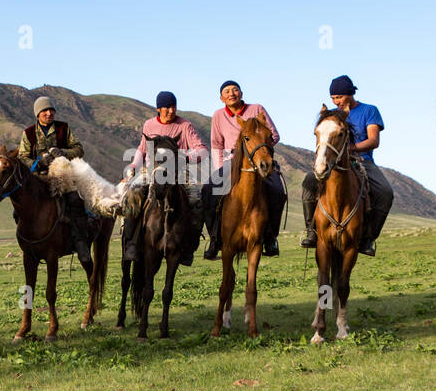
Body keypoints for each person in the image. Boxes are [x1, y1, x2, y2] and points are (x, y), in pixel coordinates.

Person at [300, 76, 394, 256]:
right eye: (334, 97)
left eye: (340, 97)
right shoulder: (332, 116)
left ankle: (368, 238)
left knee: (385, 192)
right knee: (308, 182)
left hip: (362, 160)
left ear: (351, 93)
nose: (337, 101)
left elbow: (373, 140)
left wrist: (349, 148)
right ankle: (311, 231)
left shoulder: (369, 110)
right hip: (334, 162)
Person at [121, 91, 209, 266]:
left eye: (173, 106)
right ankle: (131, 243)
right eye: (167, 107)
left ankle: (189, 248)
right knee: (132, 195)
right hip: (151, 171)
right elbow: (142, 149)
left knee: (196, 199)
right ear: (158, 109)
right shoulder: (149, 125)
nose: (171, 110)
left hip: (179, 172)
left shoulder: (185, 125)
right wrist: (133, 167)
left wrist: (184, 157)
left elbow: (202, 150)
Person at [201, 81, 287, 259]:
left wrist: (259, 150)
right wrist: (221, 170)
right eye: (227, 91)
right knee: (209, 190)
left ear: (241, 93)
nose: (231, 93)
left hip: (259, 160)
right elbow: (216, 145)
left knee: (278, 192)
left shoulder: (257, 109)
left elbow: (274, 135)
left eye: (235, 90)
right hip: (231, 162)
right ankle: (215, 239)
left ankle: (270, 238)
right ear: (221, 98)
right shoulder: (218, 116)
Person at [16, 96, 93, 266]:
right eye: (44, 111)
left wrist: (63, 152)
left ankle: (80, 243)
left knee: (75, 201)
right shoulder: (28, 133)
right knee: (19, 209)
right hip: (38, 179)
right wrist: (37, 163)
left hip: (63, 175)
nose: (49, 113)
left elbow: (79, 149)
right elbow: (22, 157)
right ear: (38, 114)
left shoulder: (63, 128)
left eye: (51, 110)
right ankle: (27, 242)